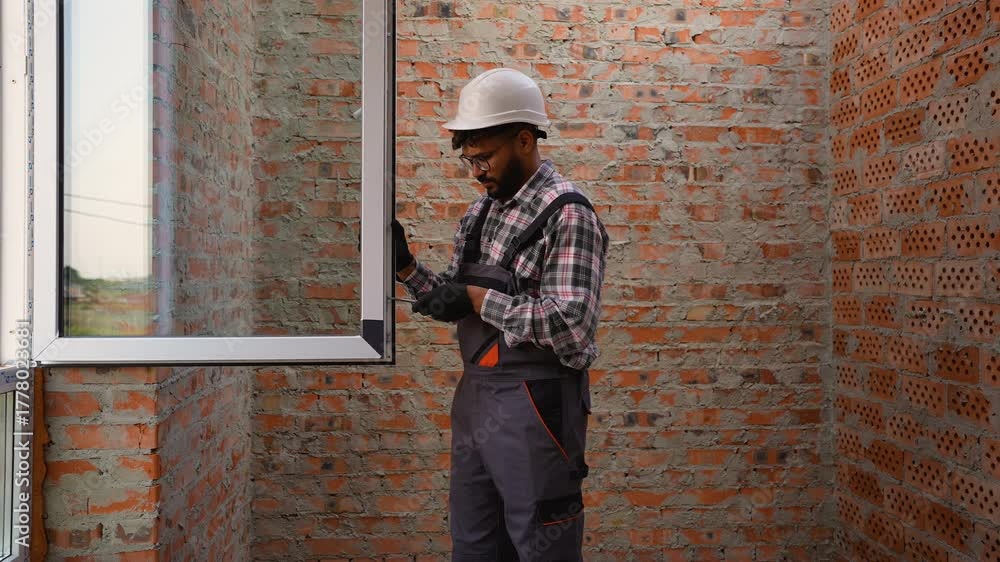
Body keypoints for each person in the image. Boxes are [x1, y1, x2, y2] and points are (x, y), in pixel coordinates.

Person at [393, 68, 609, 562]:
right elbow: (456, 298)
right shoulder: (480, 213)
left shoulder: (567, 213)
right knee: (475, 546)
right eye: (469, 161)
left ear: (525, 139)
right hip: (476, 402)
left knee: (540, 545)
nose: (477, 172)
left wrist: (475, 299)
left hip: (537, 406)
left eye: (485, 158)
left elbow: (572, 324)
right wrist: (406, 269)